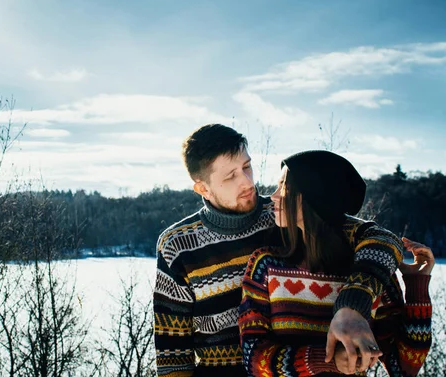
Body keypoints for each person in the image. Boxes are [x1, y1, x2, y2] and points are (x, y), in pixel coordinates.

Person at [154, 124, 404, 377]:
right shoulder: (177, 245)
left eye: (246, 166)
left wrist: (352, 303)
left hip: (291, 368)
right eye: (230, 176)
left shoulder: (284, 214)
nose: (247, 182)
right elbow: (172, 352)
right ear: (203, 188)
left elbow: (380, 239)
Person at [238, 150, 433, 376]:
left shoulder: (370, 276)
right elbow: (253, 358)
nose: (273, 196)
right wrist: (329, 360)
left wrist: (417, 289)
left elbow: (404, 368)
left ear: (318, 198)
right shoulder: (266, 266)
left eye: (284, 188)